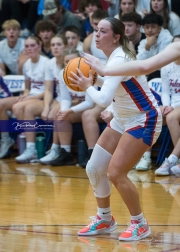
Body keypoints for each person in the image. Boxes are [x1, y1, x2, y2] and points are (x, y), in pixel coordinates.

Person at [69, 17, 162, 240]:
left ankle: (140, 223)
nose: (97, 35)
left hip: (144, 118)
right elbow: (114, 86)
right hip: (122, 117)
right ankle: (105, 219)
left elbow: (101, 98)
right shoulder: (112, 58)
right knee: (94, 167)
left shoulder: (119, 58)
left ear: (116, 37)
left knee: (116, 172)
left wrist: (87, 86)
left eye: (103, 31)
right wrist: (94, 80)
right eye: (96, 30)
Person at [13, 34, 67, 163]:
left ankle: (54, 148)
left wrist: (48, 107)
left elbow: (48, 90)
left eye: (58, 44)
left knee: (33, 109)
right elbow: (34, 88)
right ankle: (31, 147)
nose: (55, 47)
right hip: (54, 98)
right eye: (53, 45)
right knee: (22, 107)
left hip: (63, 98)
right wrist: (26, 96)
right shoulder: (47, 63)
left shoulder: (50, 62)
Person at [154, 35, 180, 176]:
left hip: (178, 106)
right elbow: (165, 92)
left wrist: (172, 107)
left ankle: (172, 160)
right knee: (152, 114)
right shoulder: (166, 66)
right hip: (173, 104)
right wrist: (165, 105)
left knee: (171, 118)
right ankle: (144, 157)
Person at [137, 13, 173, 80]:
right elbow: (138, 62)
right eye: (147, 27)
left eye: (153, 27)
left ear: (159, 28)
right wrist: (147, 46)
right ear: (143, 29)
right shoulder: (143, 42)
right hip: (149, 73)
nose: (150, 30)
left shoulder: (167, 39)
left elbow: (162, 63)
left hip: (166, 74)